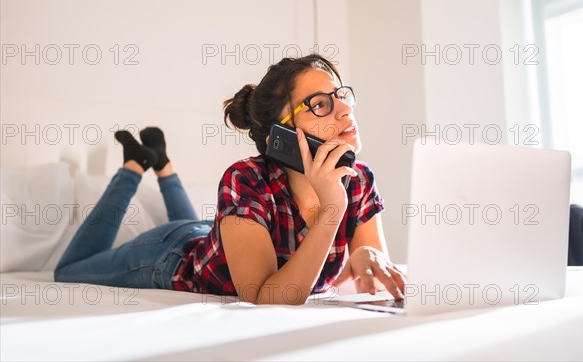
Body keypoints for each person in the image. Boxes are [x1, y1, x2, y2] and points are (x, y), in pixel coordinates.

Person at [54, 54, 406, 305]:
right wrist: (332, 210)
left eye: (341, 96)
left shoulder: (357, 179)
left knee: (194, 226)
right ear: (280, 136)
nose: (345, 109)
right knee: (67, 272)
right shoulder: (246, 178)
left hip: (217, 235)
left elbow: (370, 276)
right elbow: (265, 296)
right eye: (320, 104)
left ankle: (161, 163)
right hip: (170, 257)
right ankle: (134, 165)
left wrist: (362, 259)